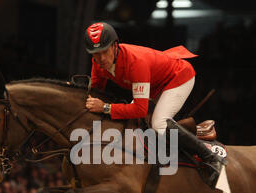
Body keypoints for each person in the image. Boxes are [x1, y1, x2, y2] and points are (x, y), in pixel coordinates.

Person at [83, 22, 225, 182]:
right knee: (134, 120)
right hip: (155, 83)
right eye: (95, 54)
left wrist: (105, 107)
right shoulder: (98, 64)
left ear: (115, 46)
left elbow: (139, 109)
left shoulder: (135, 63)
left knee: (158, 123)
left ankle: (211, 157)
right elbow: (95, 93)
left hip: (179, 76)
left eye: (104, 51)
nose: (101, 58)